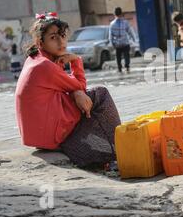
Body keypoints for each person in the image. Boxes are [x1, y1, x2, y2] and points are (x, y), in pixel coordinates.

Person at [15, 12, 121, 168]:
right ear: (40, 42)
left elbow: (68, 86)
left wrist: (75, 91)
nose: (60, 41)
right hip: (51, 134)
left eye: (63, 35)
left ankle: (97, 148)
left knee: (82, 99)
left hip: (38, 136)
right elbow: (80, 86)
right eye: (53, 37)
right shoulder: (44, 66)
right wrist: (76, 61)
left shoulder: (35, 59)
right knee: (100, 94)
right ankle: (118, 146)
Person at [109, 7, 135, 74]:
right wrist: (133, 39)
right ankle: (127, 67)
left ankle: (120, 68)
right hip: (125, 42)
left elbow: (110, 35)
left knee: (118, 56)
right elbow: (130, 31)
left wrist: (112, 43)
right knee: (126, 55)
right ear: (121, 14)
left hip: (117, 43)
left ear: (114, 14)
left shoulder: (112, 24)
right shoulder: (125, 22)